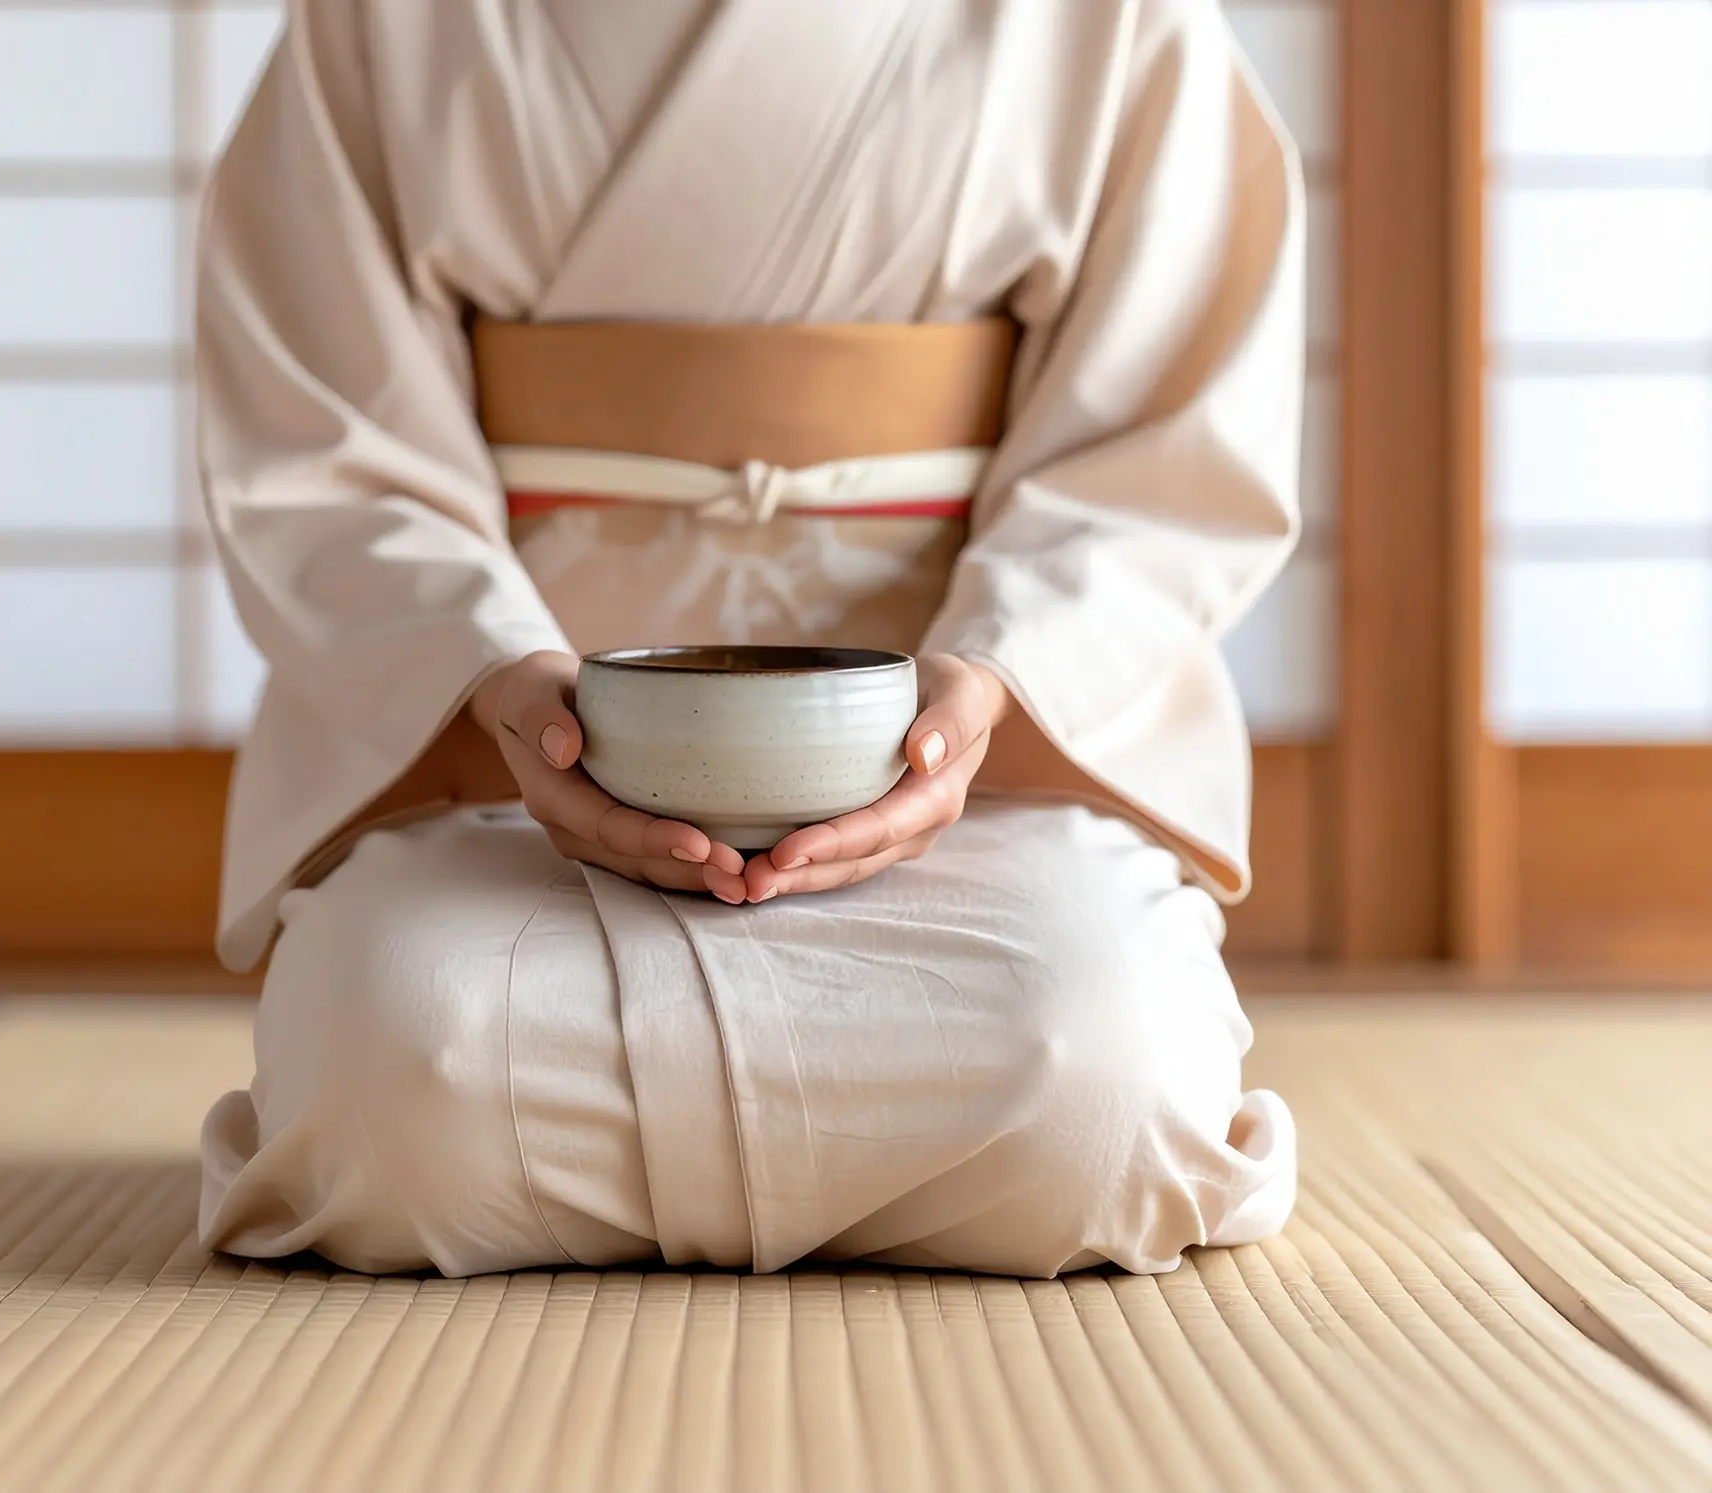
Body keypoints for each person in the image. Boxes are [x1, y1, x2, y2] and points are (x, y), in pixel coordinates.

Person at [196, 0, 1304, 1278]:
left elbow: (1163, 451)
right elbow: (326, 443)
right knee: (402, 1067)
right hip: (505, 775)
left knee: (1100, 1070)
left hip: (973, 780)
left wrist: (989, 687)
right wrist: (501, 680)